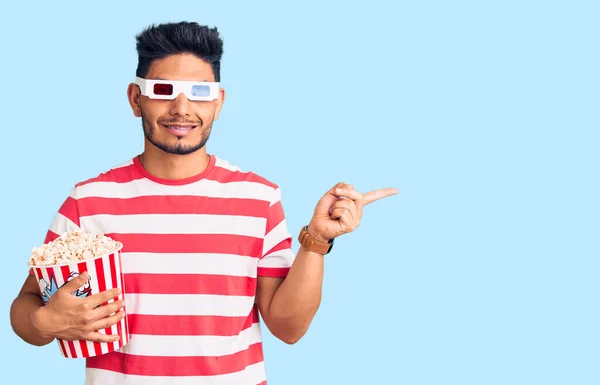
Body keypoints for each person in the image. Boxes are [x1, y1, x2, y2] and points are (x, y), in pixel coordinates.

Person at [10, 21, 397, 384]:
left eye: (199, 93)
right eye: (163, 91)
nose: (182, 108)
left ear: (219, 102)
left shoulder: (259, 198)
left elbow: (288, 329)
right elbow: (26, 307)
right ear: (135, 98)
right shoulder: (89, 200)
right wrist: (44, 323)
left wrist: (315, 240)